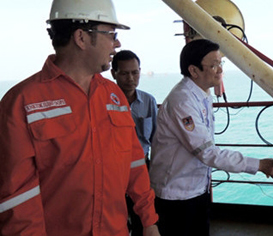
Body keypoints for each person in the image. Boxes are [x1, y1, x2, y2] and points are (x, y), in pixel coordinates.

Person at [0, 0, 160, 235]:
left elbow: (134, 163)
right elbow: (17, 196)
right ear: (81, 38)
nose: (117, 44)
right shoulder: (22, 102)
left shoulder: (114, 95)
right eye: (111, 34)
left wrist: (149, 221)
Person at [148, 39, 273, 236]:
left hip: (196, 190)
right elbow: (207, 153)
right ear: (194, 71)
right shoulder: (182, 101)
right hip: (176, 196)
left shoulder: (201, 93)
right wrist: (260, 165)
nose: (220, 70)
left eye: (221, 63)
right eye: (213, 65)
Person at [111, 50, 158, 236]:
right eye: (124, 73)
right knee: (116, 216)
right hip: (113, 169)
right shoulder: (104, 100)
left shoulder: (148, 101)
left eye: (135, 72)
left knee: (142, 216)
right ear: (114, 73)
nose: (130, 78)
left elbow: (156, 140)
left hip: (142, 167)